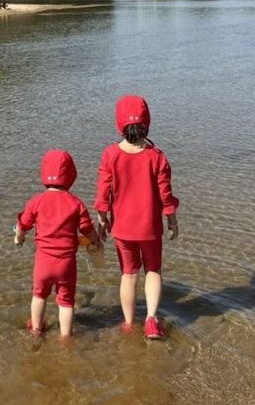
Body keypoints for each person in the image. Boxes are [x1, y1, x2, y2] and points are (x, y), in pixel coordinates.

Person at [94, 95, 179, 339]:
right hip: (150, 228)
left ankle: (129, 323)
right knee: (153, 270)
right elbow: (166, 194)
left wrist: (103, 219)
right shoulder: (157, 156)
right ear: (147, 122)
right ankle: (151, 320)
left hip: (122, 229)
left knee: (129, 275)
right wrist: (172, 220)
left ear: (118, 123)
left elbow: (103, 192)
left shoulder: (110, 155)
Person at [15, 149, 101, 338]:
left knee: (39, 295)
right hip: (66, 263)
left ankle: (37, 329)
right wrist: (96, 241)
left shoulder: (36, 201)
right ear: (72, 175)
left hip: (43, 261)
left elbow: (23, 224)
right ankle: (65, 338)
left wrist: (18, 238)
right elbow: (87, 228)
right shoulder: (76, 203)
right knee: (66, 302)